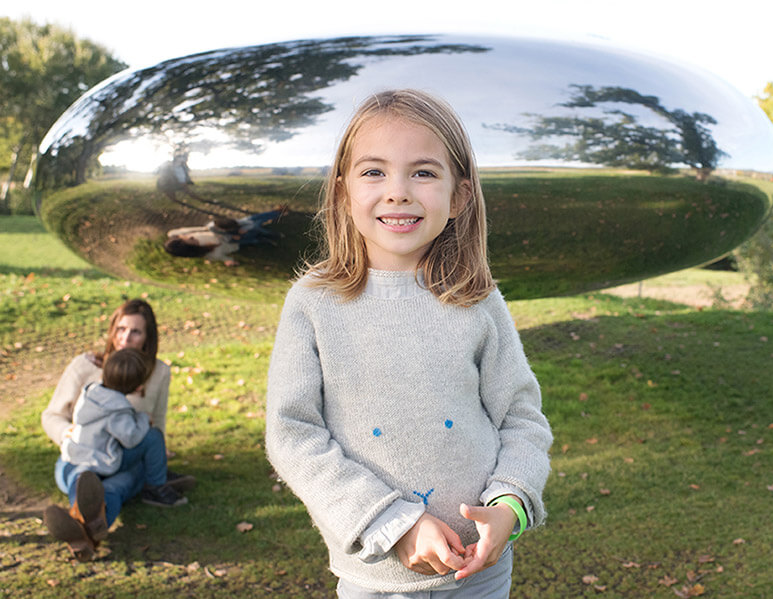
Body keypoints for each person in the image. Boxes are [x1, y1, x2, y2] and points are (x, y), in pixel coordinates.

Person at [266, 89, 553, 598]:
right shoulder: (313, 304)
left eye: (423, 172)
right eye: (374, 172)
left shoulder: (478, 302)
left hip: (480, 575)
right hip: (374, 577)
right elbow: (293, 435)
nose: (398, 191)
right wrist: (393, 524)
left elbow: (521, 420)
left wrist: (509, 507)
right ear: (342, 192)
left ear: (459, 195)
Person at [41, 299, 194, 555]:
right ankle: (87, 534)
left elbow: (159, 420)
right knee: (84, 481)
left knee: (112, 488)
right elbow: (52, 415)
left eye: (135, 331)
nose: (126, 338)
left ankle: (81, 535)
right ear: (112, 331)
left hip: (125, 459)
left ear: (148, 337)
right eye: (121, 329)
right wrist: (67, 433)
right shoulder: (86, 365)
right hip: (80, 457)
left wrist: (159, 456)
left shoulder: (159, 373)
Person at [164, 208, 284, 266]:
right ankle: (267, 239)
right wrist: (230, 261)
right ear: (191, 248)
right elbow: (223, 257)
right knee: (254, 238)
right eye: (191, 240)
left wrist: (179, 236)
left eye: (186, 236)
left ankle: (273, 225)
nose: (191, 237)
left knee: (252, 224)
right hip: (234, 243)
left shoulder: (189, 235)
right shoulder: (209, 253)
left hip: (227, 234)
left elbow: (172, 232)